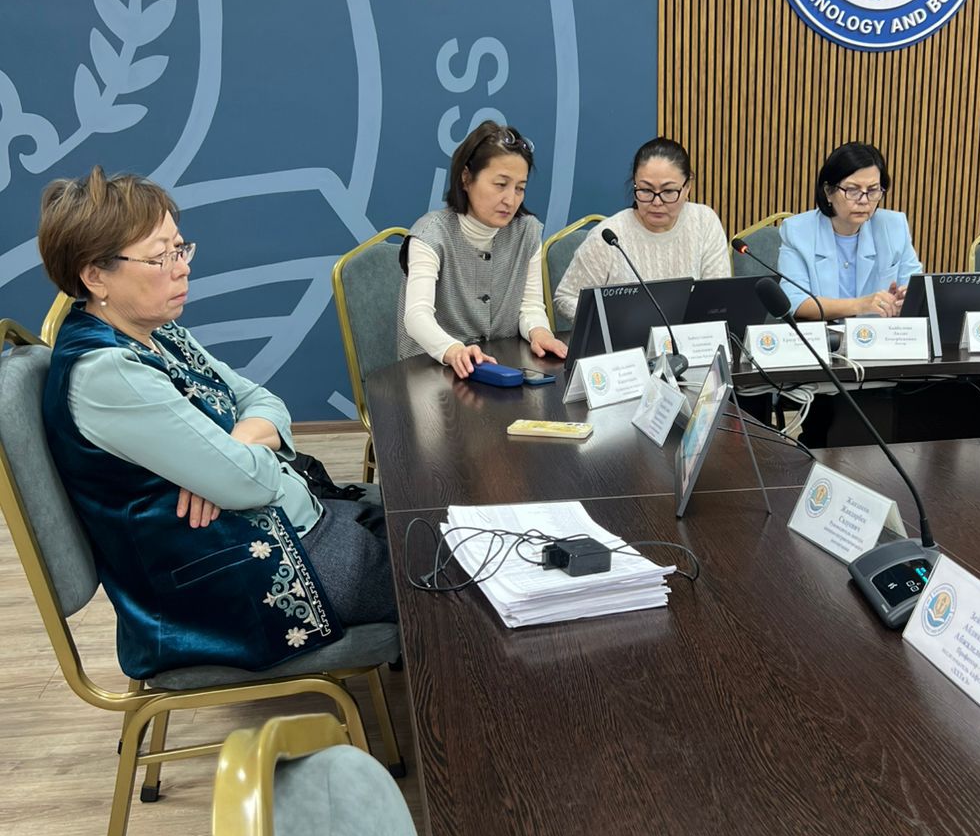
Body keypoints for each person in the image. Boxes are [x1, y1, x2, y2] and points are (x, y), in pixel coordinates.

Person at [37, 168, 396, 682]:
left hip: (286, 525)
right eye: (160, 257)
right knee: (448, 582)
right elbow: (251, 483)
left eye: (180, 249)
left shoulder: (156, 332)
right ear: (95, 276)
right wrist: (232, 469)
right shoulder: (109, 373)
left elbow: (264, 401)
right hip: (239, 573)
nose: (181, 267)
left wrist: (229, 450)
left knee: (433, 535)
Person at [398, 121, 568, 376]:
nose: (510, 199)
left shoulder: (527, 232)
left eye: (520, 188)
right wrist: (454, 350)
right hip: (431, 372)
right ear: (466, 178)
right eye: (500, 184)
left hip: (499, 369)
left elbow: (530, 307)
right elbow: (416, 316)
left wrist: (540, 332)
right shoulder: (430, 235)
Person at [553, 137, 729, 325]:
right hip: (624, 341)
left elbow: (718, 296)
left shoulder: (704, 222)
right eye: (646, 190)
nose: (657, 202)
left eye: (668, 191)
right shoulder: (609, 236)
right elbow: (566, 297)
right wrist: (611, 323)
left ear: (687, 187)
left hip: (690, 339)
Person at [777, 142, 922, 321]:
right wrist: (860, 305)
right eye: (852, 190)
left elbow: (916, 288)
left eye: (872, 190)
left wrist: (904, 299)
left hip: (877, 334)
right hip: (823, 334)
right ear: (828, 191)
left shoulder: (894, 226)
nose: (864, 200)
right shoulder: (797, 231)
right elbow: (794, 301)